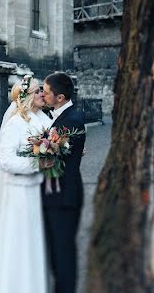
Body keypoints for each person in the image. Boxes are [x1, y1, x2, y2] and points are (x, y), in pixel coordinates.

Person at [0, 75, 52, 293]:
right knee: (18, 245)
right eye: (39, 91)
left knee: (34, 246)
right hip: (18, 195)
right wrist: (37, 164)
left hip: (37, 192)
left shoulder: (44, 120)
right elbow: (6, 161)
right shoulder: (15, 123)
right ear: (28, 96)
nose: (43, 94)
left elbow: (56, 144)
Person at [40, 71, 87, 293]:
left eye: (46, 92)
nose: (43, 95)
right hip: (57, 196)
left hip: (63, 198)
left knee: (63, 255)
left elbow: (52, 156)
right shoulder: (61, 118)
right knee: (57, 254)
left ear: (60, 98)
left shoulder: (70, 121)